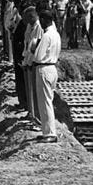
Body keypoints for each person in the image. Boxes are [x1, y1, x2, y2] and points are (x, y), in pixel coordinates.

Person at [32, 10, 61, 142]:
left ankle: (50, 133)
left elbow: (38, 55)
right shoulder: (56, 34)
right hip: (52, 67)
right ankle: (47, 131)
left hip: (44, 67)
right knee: (48, 100)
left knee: (45, 102)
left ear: (44, 20)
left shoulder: (47, 35)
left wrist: (33, 50)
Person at [21, 7, 42, 122]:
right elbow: (27, 43)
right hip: (27, 59)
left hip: (33, 61)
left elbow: (34, 46)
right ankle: (31, 113)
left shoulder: (38, 27)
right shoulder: (30, 26)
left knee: (34, 90)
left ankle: (36, 117)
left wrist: (28, 61)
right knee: (29, 89)